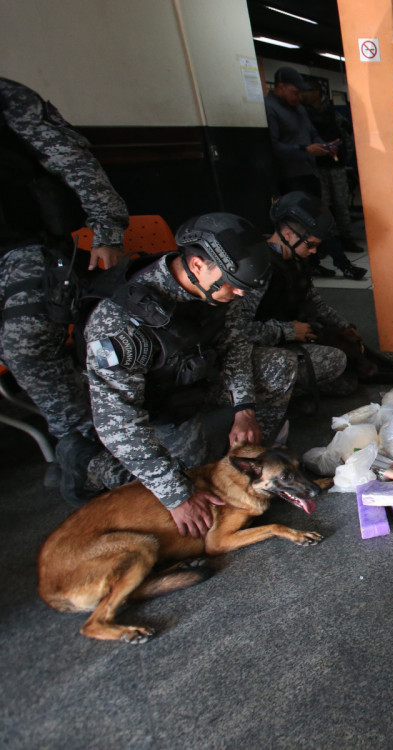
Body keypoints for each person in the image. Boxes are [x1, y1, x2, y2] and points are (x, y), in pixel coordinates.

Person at [82, 213, 297, 538]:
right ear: (197, 265)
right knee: (191, 475)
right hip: (148, 418)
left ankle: (251, 472)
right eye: (232, 285)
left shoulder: (219, 287)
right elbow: (118, 422)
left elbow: (235, 345)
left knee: (278, 365)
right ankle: (91, 464)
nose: (238, 294)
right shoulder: (118, 321)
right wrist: (177, 494)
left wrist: (245, 410)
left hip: (193, 387)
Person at [0, 77, 129, 505]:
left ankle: (82, 446)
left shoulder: (8, 100)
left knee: (28, 343)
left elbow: (74, 161)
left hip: (25, 246)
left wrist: (107, 232)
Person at [225, 192, 356, 400]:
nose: (313, 252)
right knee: (337, 361)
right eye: (310, 245)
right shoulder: (260, 268)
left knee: (347, 377)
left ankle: (287, 388)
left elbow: (316, 303)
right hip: (256, 349)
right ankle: (268, 393)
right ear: (287, 234)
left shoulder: (296, 261)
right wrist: (287, 331)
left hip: (287, 339)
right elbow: (238, 331)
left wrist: (345, 326)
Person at [264, 67, 365, 280]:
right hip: (289, 178)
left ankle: (330, 263)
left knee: (321, 221)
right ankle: (324, 264)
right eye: (294, 91)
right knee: (305, 227)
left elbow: (312, 133)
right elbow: (272, 146)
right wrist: (303, 150)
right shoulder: (270, 109)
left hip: (309, 173)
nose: (298, 96)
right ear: (280, 87)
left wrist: (324, 145)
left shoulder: (299, 109)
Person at [303, 88, 364, 255]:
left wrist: (344, 160)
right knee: (323, 205)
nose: (306, 94)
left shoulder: (333, 115)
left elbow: (348, 140)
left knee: (340, 203)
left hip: (336, 167)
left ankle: (345, 237)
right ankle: (328, 240)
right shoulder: (305, 116)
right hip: (317, 168)